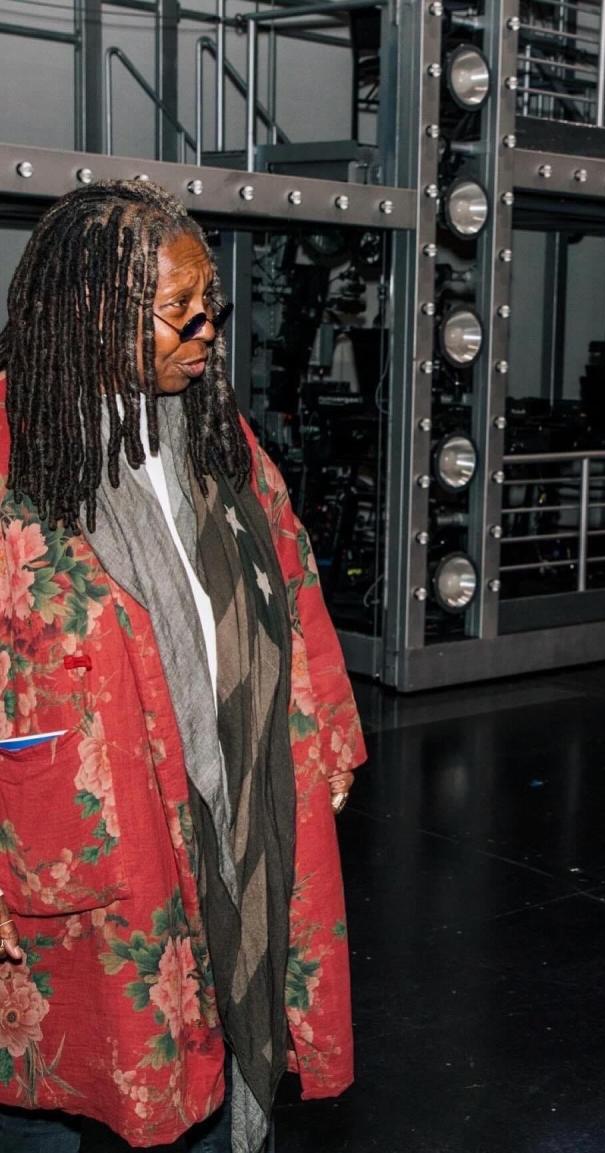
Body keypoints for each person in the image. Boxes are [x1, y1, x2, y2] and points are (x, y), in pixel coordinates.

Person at [0, 180, 365, 1152]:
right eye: (179, 310)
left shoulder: (220, 439)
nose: (208, 327)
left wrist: (321, 742)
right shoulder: (9, 448)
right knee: (80, 1091)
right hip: (78, 859)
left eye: (213, 305)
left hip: (233, 833)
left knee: (215, 1076)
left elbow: (295, 590)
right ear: (92, 311)